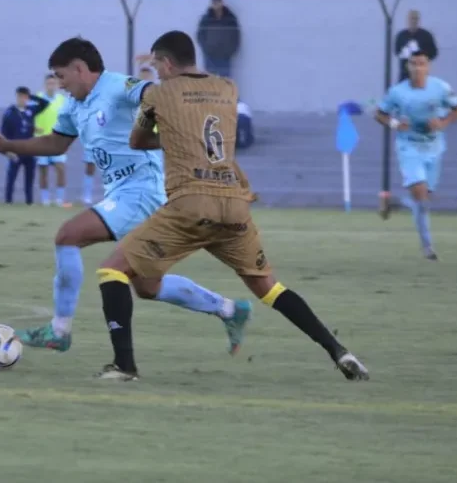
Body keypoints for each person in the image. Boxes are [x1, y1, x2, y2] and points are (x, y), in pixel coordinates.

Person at [90, 30, 367, 381]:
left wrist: (169, 135)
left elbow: (138, 140)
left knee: (112, 271)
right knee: (270, 288)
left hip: (190, 204)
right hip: (234, 203)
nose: (156, 73)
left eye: (157, 65)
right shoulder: (228, 88)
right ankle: (338, 351)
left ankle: (124, 366)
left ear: (168, 62)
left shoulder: (160, 93)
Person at [0, 37, 251, 355]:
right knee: (147, 286)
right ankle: (230, 310)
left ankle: (59, 331)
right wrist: (8, 145)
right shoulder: (74, 104)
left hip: (143, 191)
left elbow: (154, 92)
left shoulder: (118, 86)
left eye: (62, 76)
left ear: (80, 69)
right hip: (124, 194)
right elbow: (56, 144)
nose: (60, 85)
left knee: (68, 236)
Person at [375, 50, 457, 260]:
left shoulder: (440, 88)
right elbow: (379, 113)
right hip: (409, 148)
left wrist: (442, 123)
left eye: (421, 64)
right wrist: (396, 124)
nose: (417, 68)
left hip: (434, 148)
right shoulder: (398, 92)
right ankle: (428, 248)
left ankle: (395, 204)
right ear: (408, 66)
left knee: (423, 202)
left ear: (428, 66)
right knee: (421, 196)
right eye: (413, 64)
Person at [1, 86, 48, 205]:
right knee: (12, 177)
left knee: (29, 178)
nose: (23, 99)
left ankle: (29, 202)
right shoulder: (10, 112)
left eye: (25, 97)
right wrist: (7, 151)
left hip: (29, 149)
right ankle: (8, 201)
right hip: (15, 149)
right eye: (20, 97)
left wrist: (31, 96)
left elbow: (45, 103)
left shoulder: (31, 110)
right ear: (17, 97)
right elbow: (4, 133)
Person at [34, 74, 70, 206]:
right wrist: (34, 127)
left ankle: (60, 199)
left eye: (53, 84)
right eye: (49, 84)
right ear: (45, 85)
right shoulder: (37, 99)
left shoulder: (62, 100)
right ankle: (45, 199)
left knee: (60, 169)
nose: (51, 86)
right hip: (41, 140)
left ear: (57, 85)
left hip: (57, 140)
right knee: (43, 170)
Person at [196, 0, 240, 79]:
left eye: (218, 1)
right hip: (210, 57)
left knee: (225, 84)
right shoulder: (206, 19)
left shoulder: (230, 18)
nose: (216, 4)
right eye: (214, 2)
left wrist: (230, 52)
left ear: (222, 2)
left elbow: (236, 37)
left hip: (225, 58)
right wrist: (207, 49)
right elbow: (200, 35)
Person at [394, 10, 438, 82]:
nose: (413, 21)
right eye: (411, 18)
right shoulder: (401, 36)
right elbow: (397, 52)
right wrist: (406, 53)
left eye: (415, 19)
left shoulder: (426, 35)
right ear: (407, 20)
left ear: (419, 20)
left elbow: (434, 53)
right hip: (405, 75)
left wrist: (421, 55)